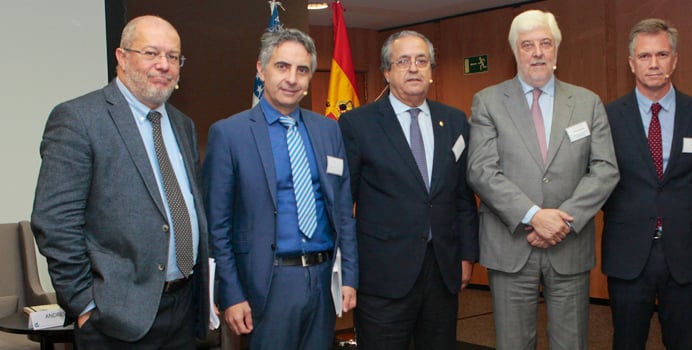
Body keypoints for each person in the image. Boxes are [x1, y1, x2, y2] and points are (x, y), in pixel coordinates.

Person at [31, 15, 209, 348]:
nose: (164, 65)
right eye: (151, 53)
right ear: (122, 57)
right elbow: (54, 222)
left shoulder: (182, 124)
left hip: (183, 311)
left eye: (173, 57)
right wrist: (85, 303)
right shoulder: (79, 119)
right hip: (116, 321)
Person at [467, 9, 619, 349]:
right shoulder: (489, 102)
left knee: (571, 342)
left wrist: (564, 220)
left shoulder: (587, 102)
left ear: (556, 50)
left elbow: (605, 169)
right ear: (515, 51)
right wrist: (535, 215)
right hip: (511, 246)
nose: (537, 52)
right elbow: (481, 169)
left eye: (545, 43)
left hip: (569, 243)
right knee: (514, 342)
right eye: (527, 45)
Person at [202, 28, 358, 349]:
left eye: (302, 70)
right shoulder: (230, 134)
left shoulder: (328, 130)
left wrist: (350, 276)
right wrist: (230, 292)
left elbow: (343, 210)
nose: (292, 78)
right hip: (267, 283)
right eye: (282, 66)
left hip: (323, 278)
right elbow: (217, 226)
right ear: (261, 69)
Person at [338, 30, 478, 350]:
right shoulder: (358, 124)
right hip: (383, 275)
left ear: (431, 71)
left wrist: (467, 254)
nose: (414, 68)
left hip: (442, 270)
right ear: (387, 72)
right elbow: (343, 203)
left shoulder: (454, 120)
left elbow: (462, 195)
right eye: (403, 61)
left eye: (421, 61)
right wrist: (347, 270)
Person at [601, 19, 692, 350]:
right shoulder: (607, 118)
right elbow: (599, 180)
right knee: (626, 341)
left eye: (662, 54)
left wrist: (675, 209)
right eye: (644, 56)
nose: (653, 64)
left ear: (675, 60)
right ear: (631, 62)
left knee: (684, 341)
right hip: (627, 252)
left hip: (684, 252)